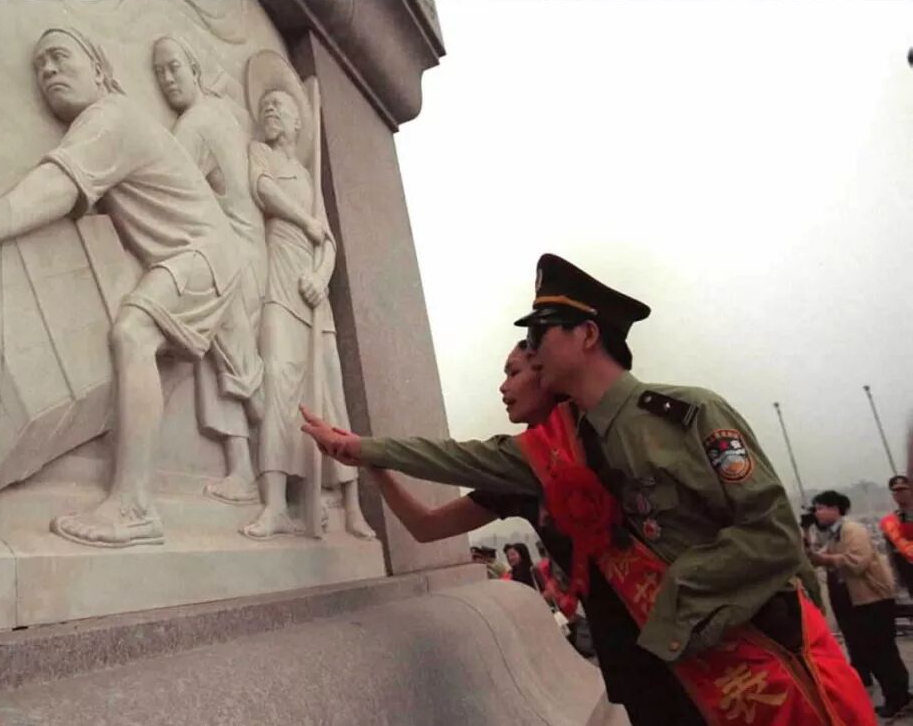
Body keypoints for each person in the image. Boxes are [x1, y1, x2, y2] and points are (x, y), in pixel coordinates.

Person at [302, 254, 876, 725]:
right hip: (648, 669)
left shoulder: (690, 415)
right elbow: (456, 458)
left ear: (587, 335)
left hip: (739, 656)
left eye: (540, 334)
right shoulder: (548, 451)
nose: (530, 352)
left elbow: (773, 536)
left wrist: (676, 597)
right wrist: (361, 450)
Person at [0, 28, 263, 547]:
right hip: (196, 254)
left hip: (202, 253)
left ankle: (134, 506)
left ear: (99, 68)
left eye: (59, 57)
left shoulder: (111, 117)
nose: (48, 71)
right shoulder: (107, 121)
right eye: (39, 66)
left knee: (134, 333)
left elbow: (57, 188)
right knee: (236, 381)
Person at [304, 341, 708, 724]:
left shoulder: (608, 436)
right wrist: (373, 466)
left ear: (546, 374)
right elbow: (426, 527)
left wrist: (365, 448)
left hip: (693, 638)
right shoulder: (520, 471)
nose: (503, 386)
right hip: (632, 658)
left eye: (513, 373)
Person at [241, 52, 373, 541]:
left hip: (315, 301)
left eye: (279, 106)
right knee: (279, 382)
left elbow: (330, 243)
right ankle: (276, 503)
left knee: (331, 393)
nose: (270, 112)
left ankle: (352, 505)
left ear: (298, 123)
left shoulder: (309, 177)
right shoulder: (261, 155)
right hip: (280, 287)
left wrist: (321, 276)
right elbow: (263, 191)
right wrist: (304, 220)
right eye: (265, 107)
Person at [151, 35, 266, 498]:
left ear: (194, 69)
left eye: (174, 67)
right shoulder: (222, 111)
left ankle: (268, 468)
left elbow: (163, 182)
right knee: (227, 361)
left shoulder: (195, 124)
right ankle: (252, 470)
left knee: (238, 366)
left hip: (232, 256)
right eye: (159, 72)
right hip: (248, 250)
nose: (167, 79)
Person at [810, 490, 912, 717]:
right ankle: (895, 696)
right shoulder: (833, 534)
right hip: (858, 601)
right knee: (870, 650)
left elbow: (857, 562)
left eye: (820, 508)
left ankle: (900, 698)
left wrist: (824, 559)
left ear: (835, 509)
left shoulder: (852, 530)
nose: (817, 513)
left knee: (882, 650)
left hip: (873, 599)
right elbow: (817, 557)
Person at [882, 474, 913, 598]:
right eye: (896, 491)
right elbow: (891, 554)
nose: (899, 493)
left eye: (903, 489)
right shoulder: (891, 522)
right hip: (908, 576)